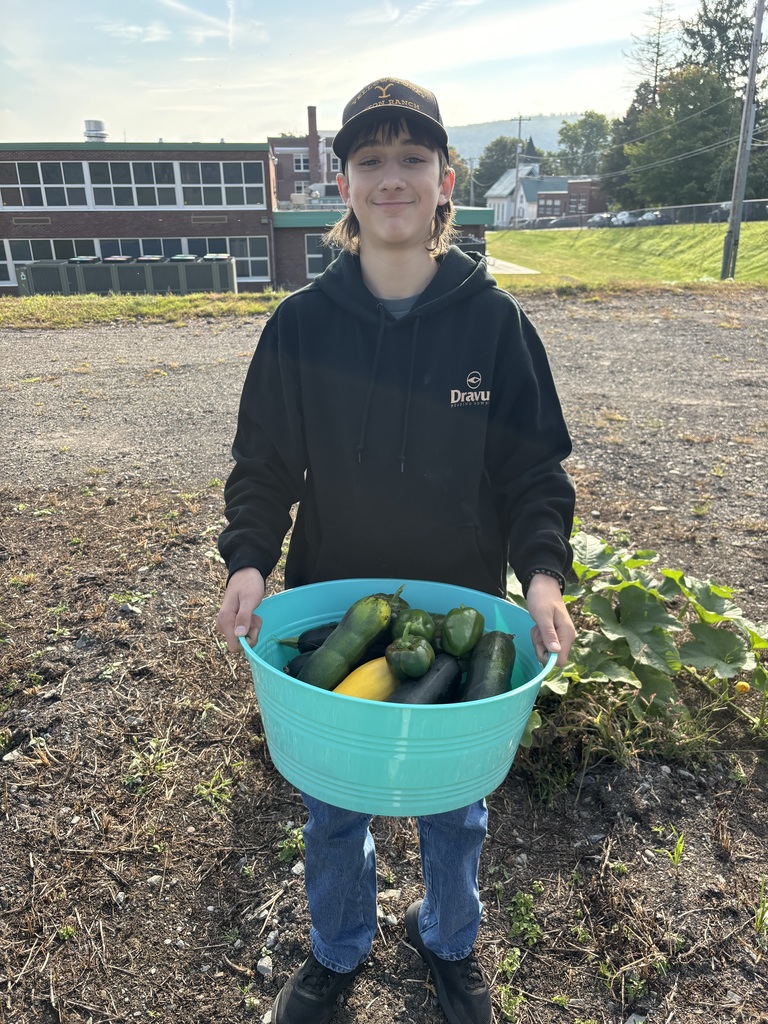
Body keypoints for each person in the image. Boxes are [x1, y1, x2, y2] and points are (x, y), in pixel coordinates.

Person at [216, 77, 576, 1024]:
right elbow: (263, 469)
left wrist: (542, 574)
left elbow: (535, 471)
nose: (392, 179)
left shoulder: (494, 325)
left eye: (411, 159)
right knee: (336, 803)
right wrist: (249, 560)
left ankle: (448, 941)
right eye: (369, 160)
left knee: (453, 805)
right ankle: (337, 949)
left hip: (461, 617)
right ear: (342, 185)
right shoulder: (299, 329)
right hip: (336, 610)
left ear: (446, 179)